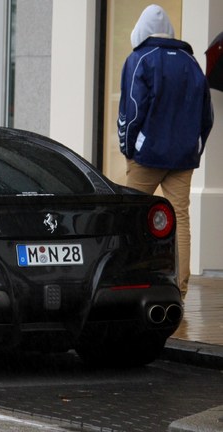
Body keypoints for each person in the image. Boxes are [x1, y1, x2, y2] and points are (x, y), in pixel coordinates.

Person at [118, 4, 214, 300]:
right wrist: (194, 147)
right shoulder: (191, 62)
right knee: (181, 219)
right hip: (183, 157)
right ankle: (180, 289)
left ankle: (131, 279)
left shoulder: (140, 59)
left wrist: (128, 146)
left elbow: (132, 110)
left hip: (147, 156)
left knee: (131, 215)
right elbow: (206, 115)